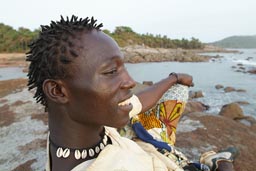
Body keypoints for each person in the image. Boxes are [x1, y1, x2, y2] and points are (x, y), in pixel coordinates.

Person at [26, 15, 236, 171]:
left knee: (178, 91)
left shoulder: (75, 131)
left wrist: (173, 78)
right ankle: (215, 161)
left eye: (122, 68)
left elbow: (137, 103)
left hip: (138, 141)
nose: (131, 81)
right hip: (164, 158)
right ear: (58, 90)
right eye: (111, 71)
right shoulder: (121, 165)